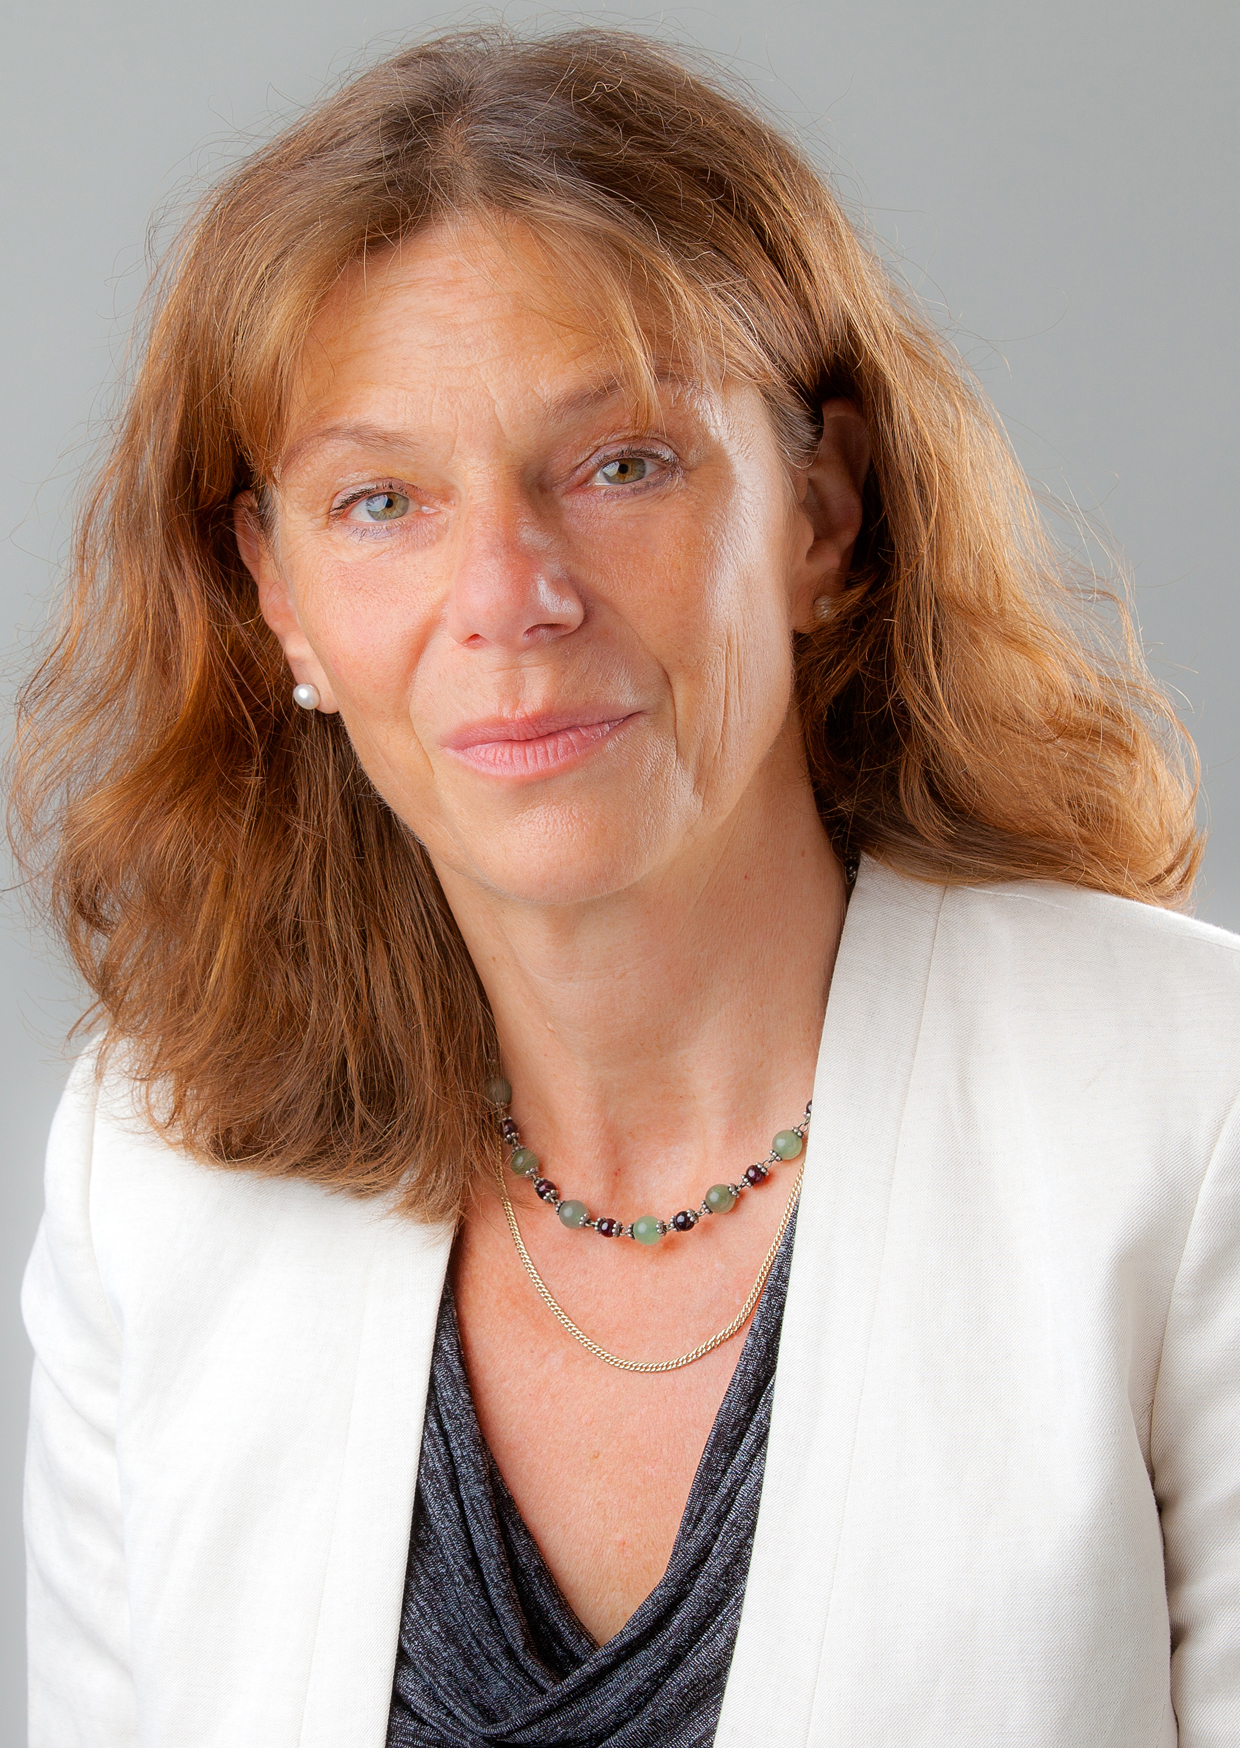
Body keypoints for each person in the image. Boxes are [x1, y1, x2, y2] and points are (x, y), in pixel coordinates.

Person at [13, 24, 1239, 1748]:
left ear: (822, 513)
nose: (510, 594)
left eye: (622, 465)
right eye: (382, 500)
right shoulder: (151, 1174)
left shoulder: (1194, 1112)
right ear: (278, 597)